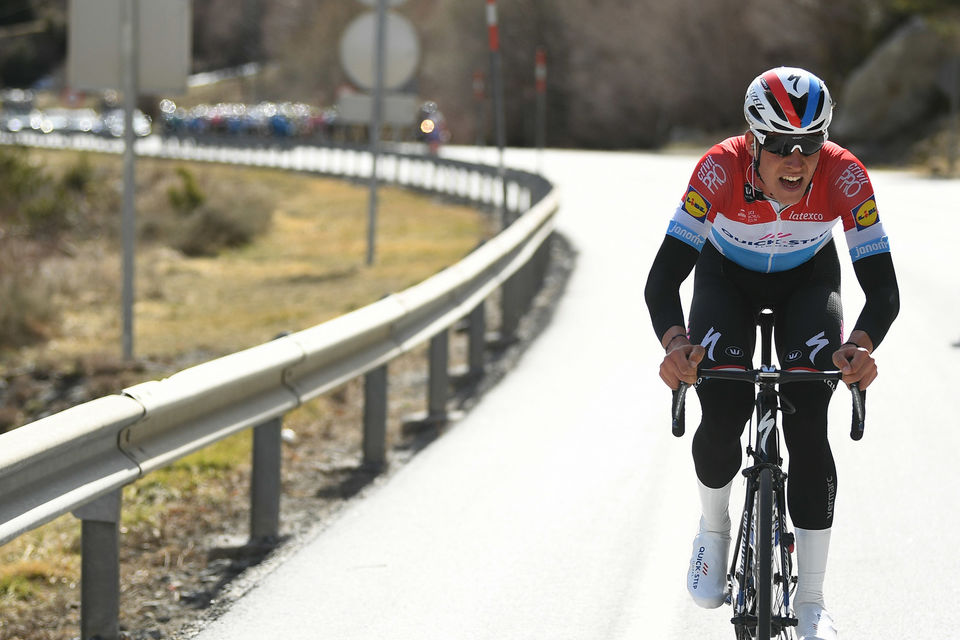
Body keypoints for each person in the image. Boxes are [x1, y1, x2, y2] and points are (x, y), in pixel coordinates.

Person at [644, 67, 899, 639]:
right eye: (781, 146)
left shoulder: (846, 176)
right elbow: (661, 283)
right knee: (725, 411)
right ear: (753, 143)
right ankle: (713, 528)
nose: (797, 160)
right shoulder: (717, 169)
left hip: (808, 282)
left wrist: (860, 347)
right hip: (725, 281)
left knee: (809, 425)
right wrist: (676, 344)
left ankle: (811, 599)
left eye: (810, 146)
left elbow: (883, 289)